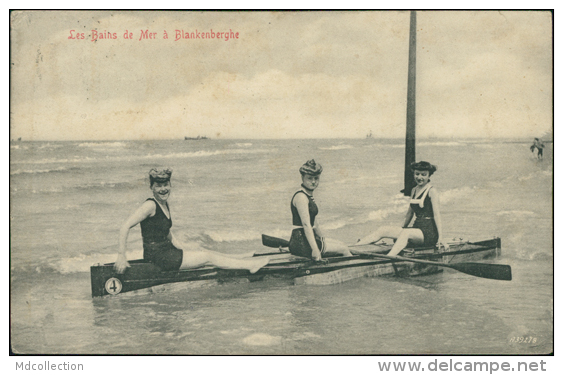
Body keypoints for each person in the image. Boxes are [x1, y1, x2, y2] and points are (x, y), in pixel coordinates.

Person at [114, 168, 269, 273]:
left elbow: (166, 232)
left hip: (166, 253)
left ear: (170, 185)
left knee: (205, 252)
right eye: (158, 186)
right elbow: (125, 226)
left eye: (166, 185)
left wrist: (182, 248)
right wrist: (121, 256)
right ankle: (250, 266)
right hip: (159, 257)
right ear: (152, 187)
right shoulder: (150, 205)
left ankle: (239, 258)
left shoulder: (163, 204)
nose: (163, 189)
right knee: (208, 258)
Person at [356, 161, 448, 256]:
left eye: (423, 175)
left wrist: (440, 238)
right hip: (416, 229)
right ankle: (353, 249)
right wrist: (399, 230)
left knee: (406, 233)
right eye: (417, 174)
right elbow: (409, 214)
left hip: (429, 233)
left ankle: (389, 258)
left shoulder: (432, 191)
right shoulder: (414, 190)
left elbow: (437, 215)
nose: (419, 177)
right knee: (383, 229)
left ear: (429, 176)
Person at [288, 160, 352, 261]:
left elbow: (314, 222)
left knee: (342, 244)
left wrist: (321, 237)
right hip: (302, 243)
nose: (313, 181)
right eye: (309, 178)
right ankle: (350, 271)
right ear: (302, 178)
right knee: (344, 249)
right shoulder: (301, 197)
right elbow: (306, 225)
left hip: (305, 240)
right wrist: (315, 250)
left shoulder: (307, 195)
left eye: (316, 178)